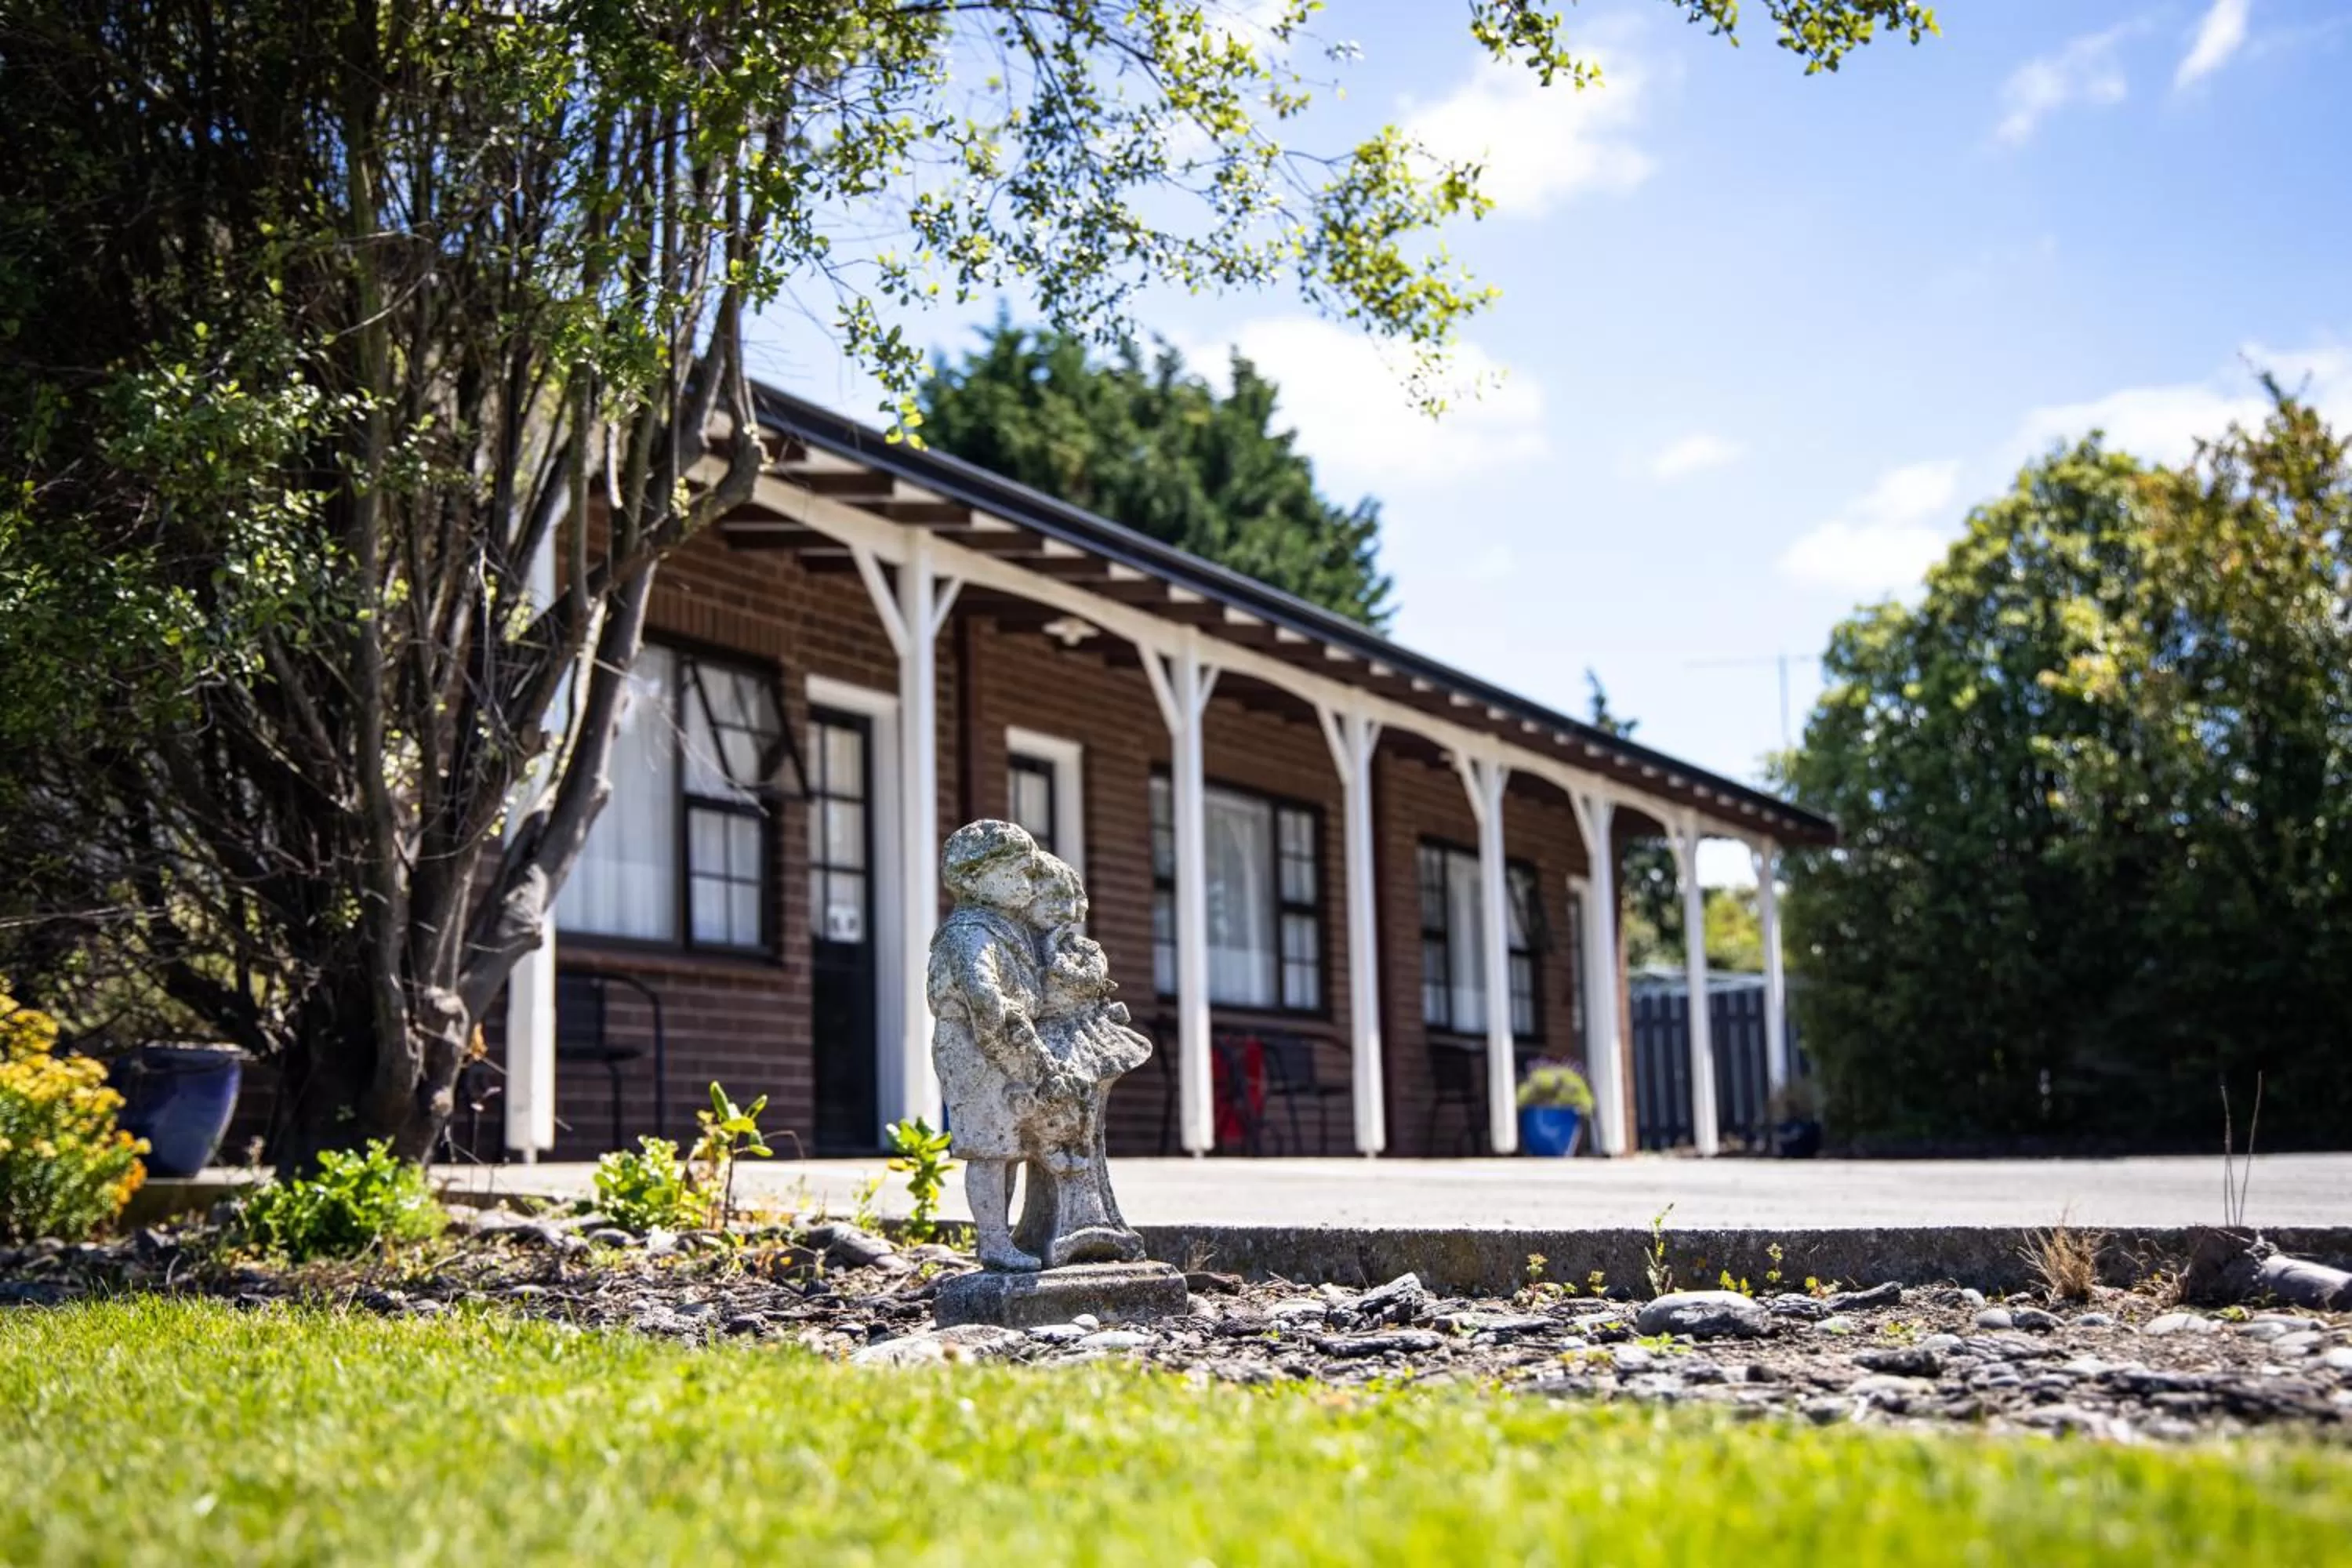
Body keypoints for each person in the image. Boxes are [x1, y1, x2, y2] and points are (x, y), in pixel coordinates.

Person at [928, 820, 1146, 1271]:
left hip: (1007, 1048)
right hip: (978, 1053)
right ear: (975, 879)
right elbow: (989, 1008)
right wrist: (1038, 1066)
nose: (1029, 884)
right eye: (1019, 873)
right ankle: (992, 1240)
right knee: (990, 1149)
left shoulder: (1002, 927)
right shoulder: (970, 935)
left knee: (1008, 1146)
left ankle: (1009, 1236)